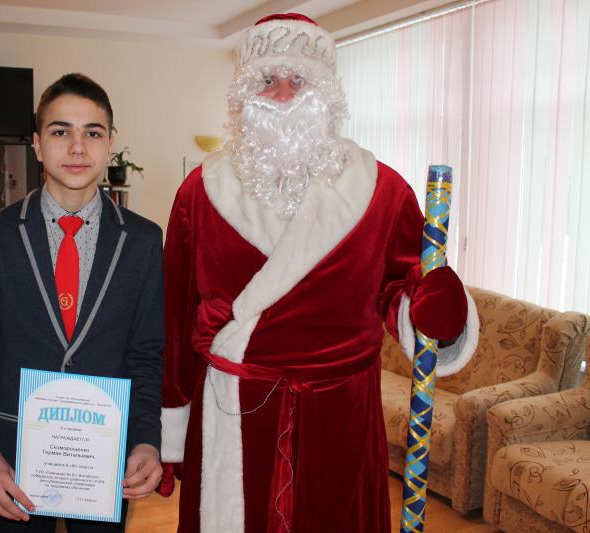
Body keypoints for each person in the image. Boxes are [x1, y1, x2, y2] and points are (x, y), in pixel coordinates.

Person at [157, 13, 479, 533]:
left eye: (299, 79)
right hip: (232, 411)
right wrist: (171, 419)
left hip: (340, 415)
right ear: (244, 96)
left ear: (326, 94)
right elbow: (174, 314)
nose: (284, 94)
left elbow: (403, 292)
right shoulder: (199, 191)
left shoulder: (382, 191)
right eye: (268, 79)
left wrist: (434, 310)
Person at [0, 73, 164, 532]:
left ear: (110, 145)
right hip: (11, 460)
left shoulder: (143, 241)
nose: (78, 147)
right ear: (37, 145)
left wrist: (146, 439)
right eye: (61, 131)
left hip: (105, 460)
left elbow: (146, 354)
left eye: (93, 133)